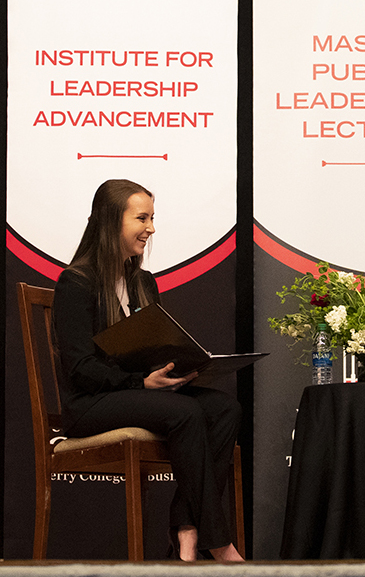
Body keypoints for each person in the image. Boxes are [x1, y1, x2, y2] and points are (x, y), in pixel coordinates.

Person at [53, 179, 244, 562]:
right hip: (90, 403)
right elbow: (80, 368)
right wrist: (142, 382)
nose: (151, 228)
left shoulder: (143, 282)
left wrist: (180, 365)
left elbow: (146, 349)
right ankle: (219, 544)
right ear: (111, 221)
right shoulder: (75, 283)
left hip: (135, 392)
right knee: (185, 412)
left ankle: (186, 528)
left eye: (152, 218)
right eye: (142, 218)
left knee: (224, 409)